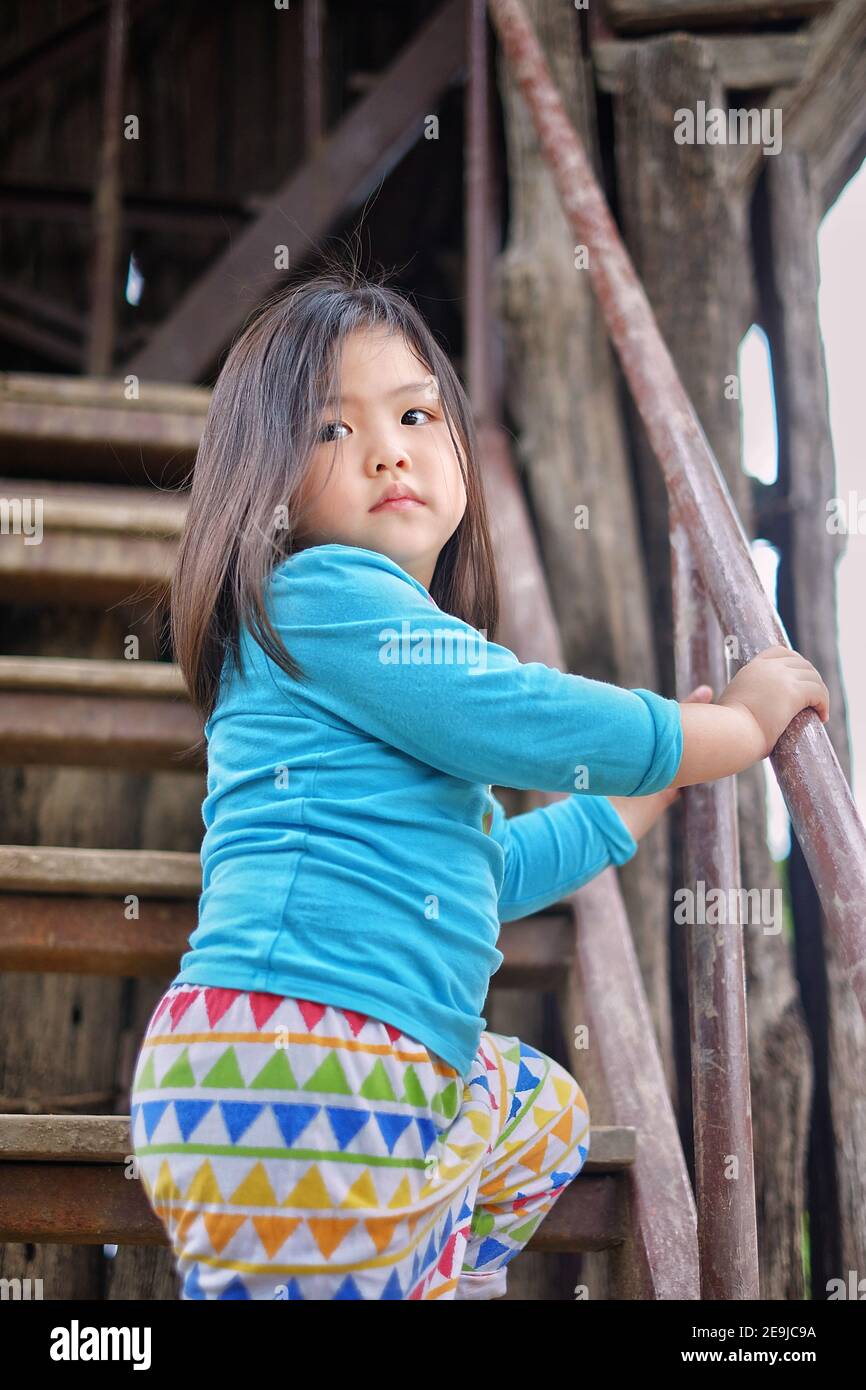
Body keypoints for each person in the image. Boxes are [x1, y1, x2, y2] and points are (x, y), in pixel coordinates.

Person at [129, 265, 829, 1301]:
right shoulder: (318, 594)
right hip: (300, 1053)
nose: (385, 448)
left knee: (541, 1111)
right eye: (330, 430)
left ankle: (434, 1273)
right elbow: (521, 716)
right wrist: (718, 728)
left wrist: (626, 807)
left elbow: (474, 874)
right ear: (260, 482)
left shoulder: (372, 663)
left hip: (356, 1070)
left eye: (414, 412)